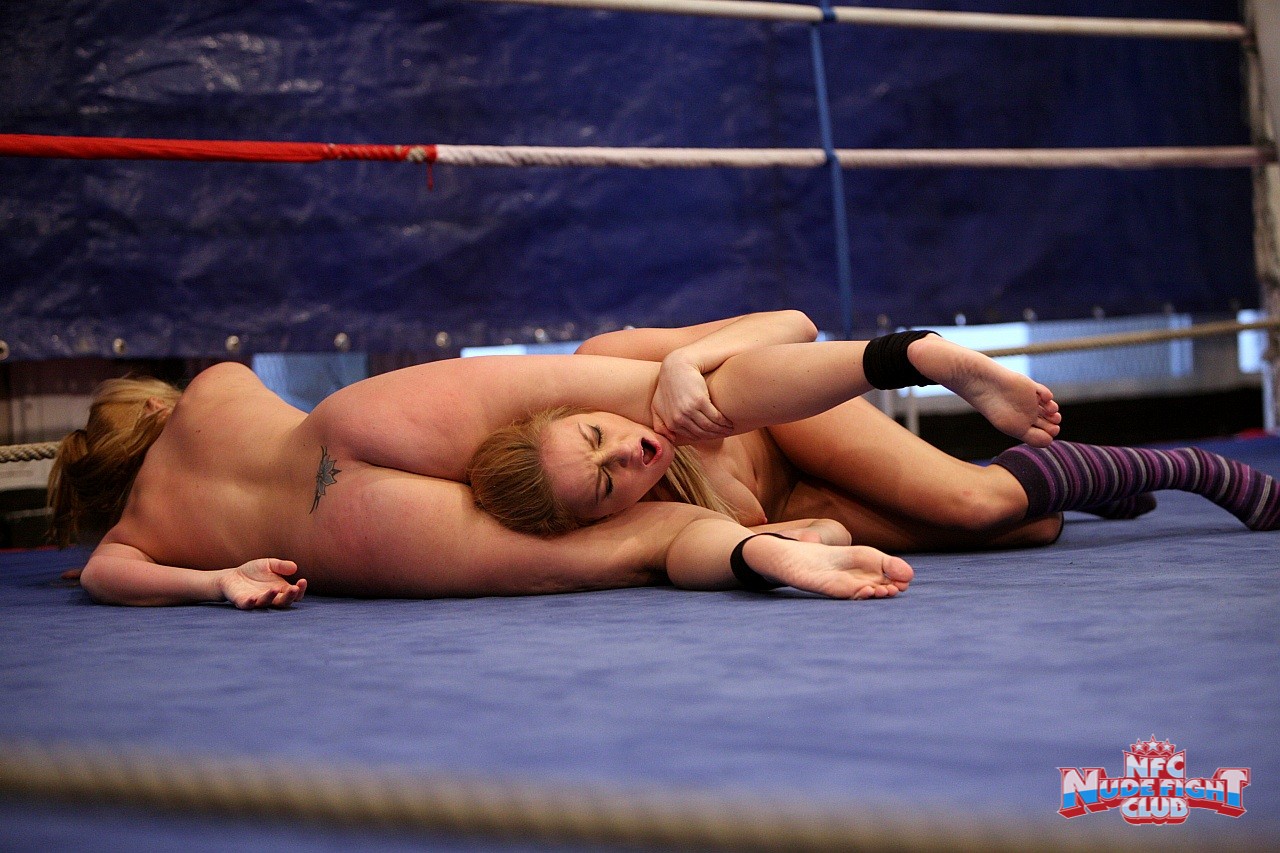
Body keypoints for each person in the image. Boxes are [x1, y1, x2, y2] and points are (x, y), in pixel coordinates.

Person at [46, 311, 1059, 608]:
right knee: (651, 426)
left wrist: (216, 579)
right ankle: (905, 359)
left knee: (630, 526)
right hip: (351, 429)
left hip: (341, 534)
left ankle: (774, 549)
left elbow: (105, 572)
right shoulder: (215, 388)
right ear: (150, 412)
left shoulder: (143, 528)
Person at [469, 316, 1280, 545]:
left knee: (972, 502)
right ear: (596, 516)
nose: (629, 450)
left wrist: (686, 359)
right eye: (606, 480)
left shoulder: (606, 362)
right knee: (1029, 526)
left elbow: (794, 325)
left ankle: (1188, 466)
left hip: (792, 426)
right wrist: (794, 537)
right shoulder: (619, 537)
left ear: (568, 411)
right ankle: (1097, 487)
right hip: (791, 503)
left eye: (595, 436)